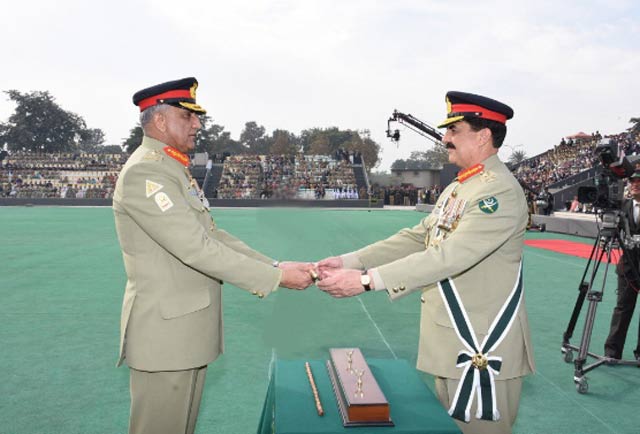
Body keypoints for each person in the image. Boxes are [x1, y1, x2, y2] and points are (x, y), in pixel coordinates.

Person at [316, 91, 535, 434]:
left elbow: (449, 256)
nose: (445, 138)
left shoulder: (498, 192)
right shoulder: (461, 186)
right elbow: (419, 236)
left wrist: (366, 281)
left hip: (480, 347)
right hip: (452, 342)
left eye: (454, 130)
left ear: (483, 135)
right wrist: (350, 261)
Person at [112, 77, 314, 434]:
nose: (197, 125)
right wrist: (277, 279)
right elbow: (195, 247)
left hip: (182, 333)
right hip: (165, 336)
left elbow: (212, 235)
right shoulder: (147, 172)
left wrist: (274, 265)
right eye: (187, 116)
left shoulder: (171, 168)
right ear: (160, 121)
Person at [604, 170, 640, 362]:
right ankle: (612, 352)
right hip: (627, 268)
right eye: (632, 181)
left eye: (639, 181)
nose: (635, 184)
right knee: (622, 308)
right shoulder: (622, 206)